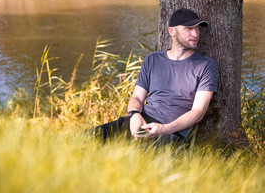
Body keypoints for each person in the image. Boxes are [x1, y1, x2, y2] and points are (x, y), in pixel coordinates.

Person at [93, 8, 218, 145]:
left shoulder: (206, 65)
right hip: (143, 121)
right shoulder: (153, 60)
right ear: (172, 31)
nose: (196, 34)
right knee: (86, 138)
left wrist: (164, 129)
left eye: (197, 29)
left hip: (173, 132)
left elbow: (198, 112)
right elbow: (136, 97)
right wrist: (134, 115)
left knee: (140, 156)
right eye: (189, 28)